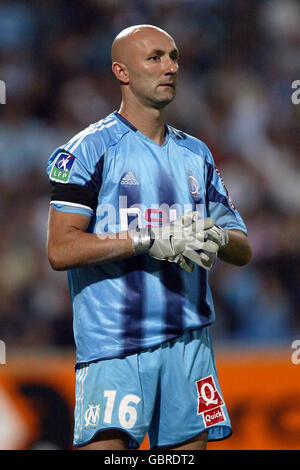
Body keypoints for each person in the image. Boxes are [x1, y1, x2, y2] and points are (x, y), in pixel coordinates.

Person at [46, 24, 252, 451]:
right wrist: (146, 239)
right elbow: (60, 248)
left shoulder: (198, 153)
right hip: (113, 348)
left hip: (190, 344)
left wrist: (212, 235)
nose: (170, 67)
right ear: (122, 72)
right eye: (155, 57)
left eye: (174, 56)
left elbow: (242, 246)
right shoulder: (88, 149)